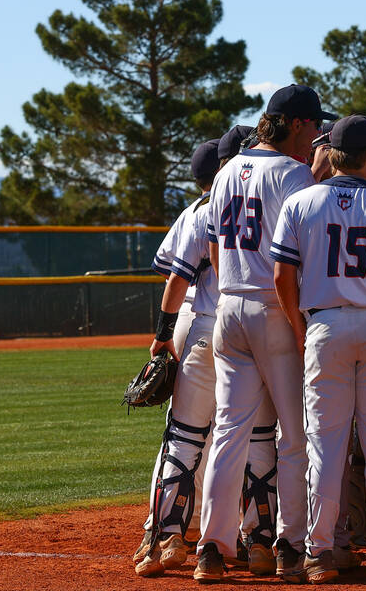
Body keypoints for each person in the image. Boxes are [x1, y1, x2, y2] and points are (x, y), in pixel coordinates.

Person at [194, 84, 335, 584]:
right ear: (295, 124)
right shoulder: (294, 173)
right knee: (293, 435)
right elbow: (298, 255)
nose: (318, 134)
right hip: (274, 308)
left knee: (229, 432)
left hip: (228, 303)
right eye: (314, 124)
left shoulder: (227, 168)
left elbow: (214, 248)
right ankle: (289, 546)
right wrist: (300, 324)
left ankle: (211, 547)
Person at [270, 115, 366, 582]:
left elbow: (281, 276)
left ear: (330, 154)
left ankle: (320, 551)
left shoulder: (301, 201)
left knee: (325, 446)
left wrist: (298, 327)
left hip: (324, 325)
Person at [134, 139, 223, 577]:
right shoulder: (238, 205)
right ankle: (239, 533)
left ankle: (162, 530)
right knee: (237, 436)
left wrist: (163, 334)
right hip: (214, 316)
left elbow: (168, 270)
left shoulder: (191, 212)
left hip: (191, 316)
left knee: (184, 433)